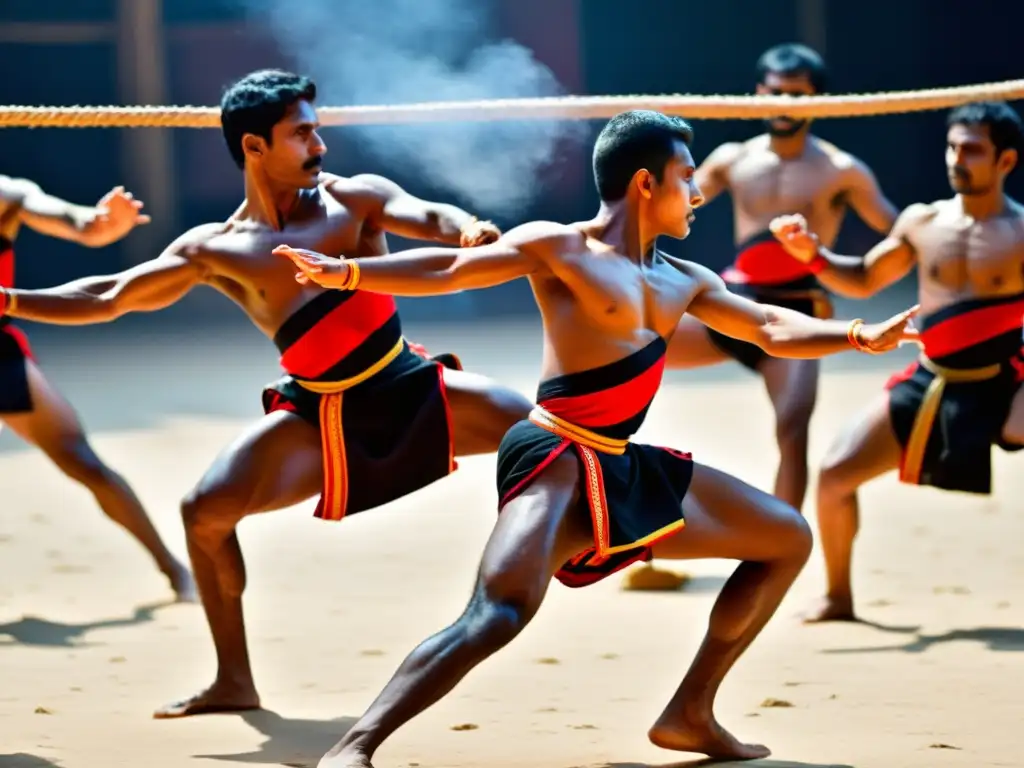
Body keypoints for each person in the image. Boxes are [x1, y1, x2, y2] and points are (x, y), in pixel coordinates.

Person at [274, 109, 917, 766]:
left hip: (620, 462)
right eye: (686, 178)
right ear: (645, 183)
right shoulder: (562, 246)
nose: (697, 194)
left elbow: (770, 328)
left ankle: (690, 713)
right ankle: (353, 748)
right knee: (497, 613)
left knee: (785, 537)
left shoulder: (686, 278)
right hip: (553, 454)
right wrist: (349, 274)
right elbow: (450, 271)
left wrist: (859, 336)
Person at [0, 69, 533, 718]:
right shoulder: (216, 249)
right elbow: (106, 296)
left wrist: (466, 228)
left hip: (410, 388)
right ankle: (234, 681)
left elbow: (429, 215)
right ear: (255, 147)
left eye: (318, 129)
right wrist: (6, 300)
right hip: (317, 414)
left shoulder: (356, 199)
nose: (320, 145)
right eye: (302, 133)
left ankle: (638, 541)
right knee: (205, 512)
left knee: (547, 438)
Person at [770, 100, 1024, 622]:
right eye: (952, 146)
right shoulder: (921, 220)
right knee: (836, 473)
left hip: (1008, 377)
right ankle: (838, 596)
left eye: (972, 149)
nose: (957, 158)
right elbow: (863, 278)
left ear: (1005, 162)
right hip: (936, 379)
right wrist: (813, 256)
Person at [664, 43, 899, 512]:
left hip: (798, 310)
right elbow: (675, 204)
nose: (783, 106)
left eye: (796, 96)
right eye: (775, 94)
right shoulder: (733, 158)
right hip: (733, 304)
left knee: (793, 428)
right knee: (631, 349)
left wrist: (827, 258)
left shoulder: (840, 170)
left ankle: (778, 550)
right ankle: (627, 509)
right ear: (757, 93)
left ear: (817, 100)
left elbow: (900, 234)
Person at [0, 177, 194, 600]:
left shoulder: (5, 195)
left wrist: (100, 222)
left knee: (82, 461)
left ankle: (174, 570)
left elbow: (75, 221)